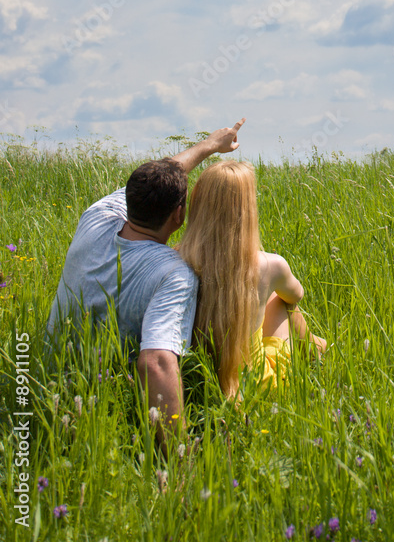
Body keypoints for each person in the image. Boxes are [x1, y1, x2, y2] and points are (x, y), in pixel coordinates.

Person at [46, 121, 245, 448]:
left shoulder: (97, 216)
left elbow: (163, 174)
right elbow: (155, 362)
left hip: (49, 386)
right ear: (179, 215)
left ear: (130, 197)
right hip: (105, 406)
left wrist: (209, 145)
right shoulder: (173, 274)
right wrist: (176, 462)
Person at [178, 160, 327, 399]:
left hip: (197, 377)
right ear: (247, 211)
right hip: (256, 381)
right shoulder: (270, 265)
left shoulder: (177, 259)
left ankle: (315, 347)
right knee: (280, 300)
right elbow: (296, 295)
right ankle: (314, 348)